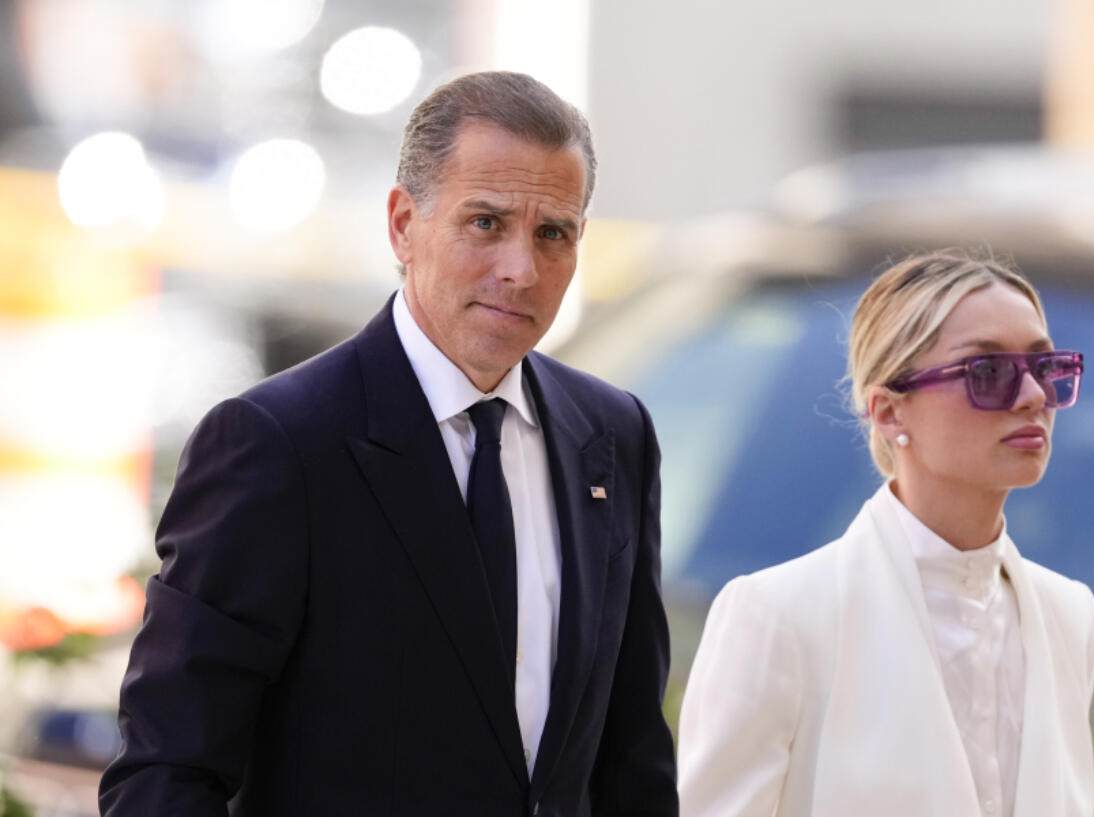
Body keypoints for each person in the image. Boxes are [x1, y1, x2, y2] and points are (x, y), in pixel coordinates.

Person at [99, 71, 678, 817]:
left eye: (551, 233)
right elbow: (167, 771)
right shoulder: (277, 445)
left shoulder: (612, 434)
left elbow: (631, 763)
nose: (521, 269)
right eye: (485, 222)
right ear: (404, 224)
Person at [677, 251, 1094, 817]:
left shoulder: (1069, 616)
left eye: (1046, 367)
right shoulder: (779, 615)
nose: (1032, 397)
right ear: (889, 413)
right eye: (988, 373)